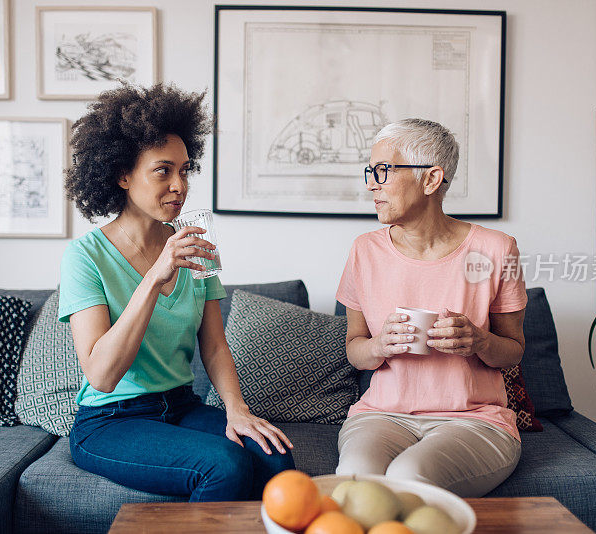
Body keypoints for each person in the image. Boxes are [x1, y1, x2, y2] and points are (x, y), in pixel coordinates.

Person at [59, 82, 294, 502]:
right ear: (122, 174)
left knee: (276, 461)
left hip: (180, 406)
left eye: (185, 170)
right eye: (163, 170)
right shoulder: (85, 256)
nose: (179, 185)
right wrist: (154, 277)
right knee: (224, 465)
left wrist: (237, 410)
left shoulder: (195, 245)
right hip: (111, 420)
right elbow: (102, 374)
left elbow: (216, 346)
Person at [335, 118, 527, 497]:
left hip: (475, 421)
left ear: (431, 179)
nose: (371, 183)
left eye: (383, 171)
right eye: (370, 172)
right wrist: (378, 346)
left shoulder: (497, 249)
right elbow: (355, 351)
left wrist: (478, 341)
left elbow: (513, 351)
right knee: (356, 480)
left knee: (409, 476)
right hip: (381, 415)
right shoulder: (364, 250)